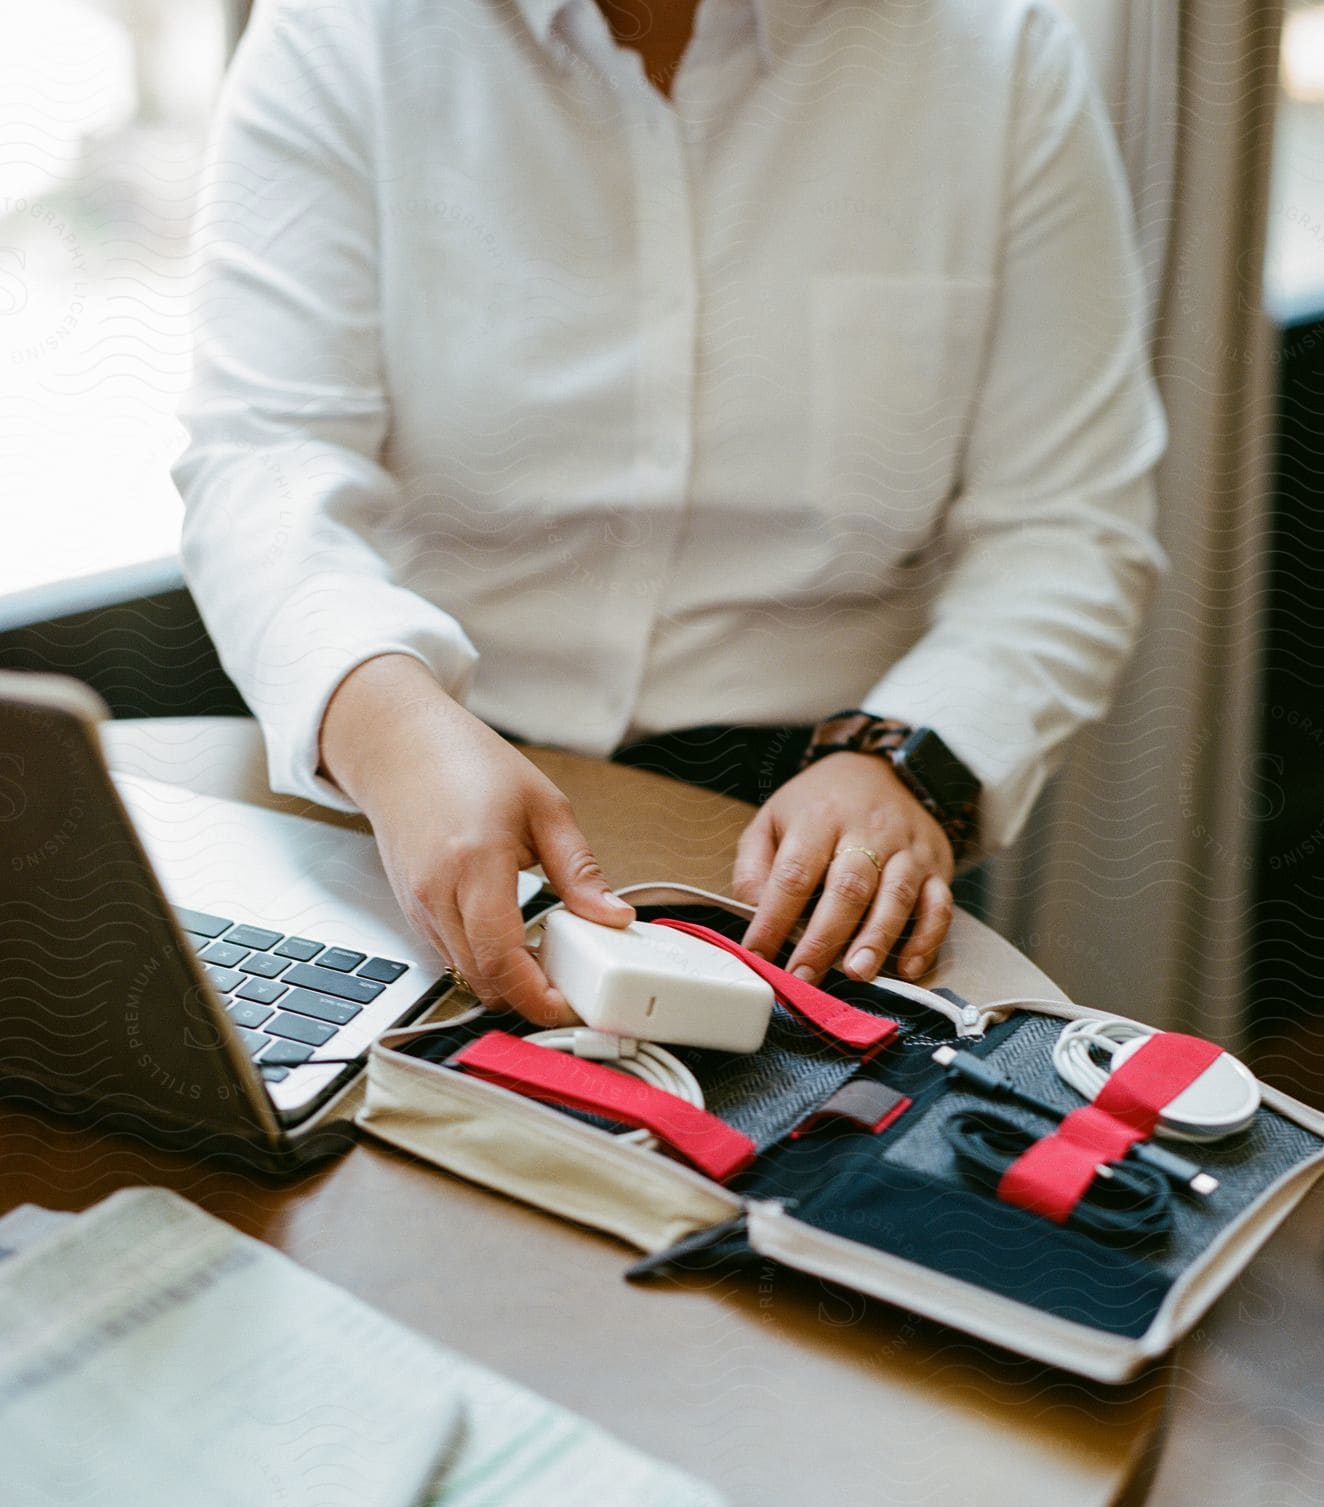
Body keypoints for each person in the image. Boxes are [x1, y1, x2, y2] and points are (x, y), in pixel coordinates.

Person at [174, 0, 1166, 1023]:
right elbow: (263, 457)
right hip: (412, 763)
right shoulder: (345, 31)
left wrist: (911, 764)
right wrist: (389, 731)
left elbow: (1067, 523)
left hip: (817, 809)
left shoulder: (994, 49)